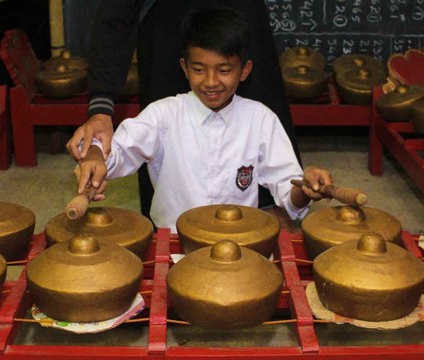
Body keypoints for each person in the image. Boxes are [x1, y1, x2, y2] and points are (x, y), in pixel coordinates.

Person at [75, 6, 330, 232]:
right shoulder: (163, 114)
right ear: (184, 68)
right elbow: (118, 150)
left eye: (224, 70)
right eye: (199, 70)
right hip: (175, 246)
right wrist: (96, 157)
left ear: (245, 71)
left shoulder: (261, 119)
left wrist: (305, 190)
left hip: (239, 243)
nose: (210, 82)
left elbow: (288, 189)